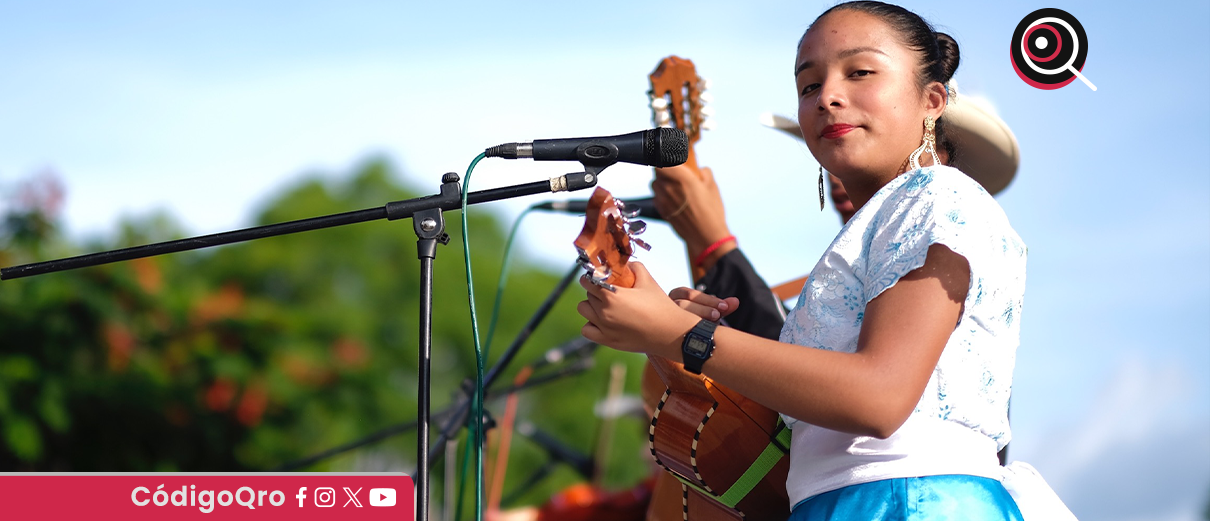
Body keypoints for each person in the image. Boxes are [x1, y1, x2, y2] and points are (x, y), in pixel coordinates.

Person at [578, 2, 1032, 518]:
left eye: (860, 72)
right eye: (809, 86)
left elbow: (879, 398)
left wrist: (683, 337)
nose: (829, 96)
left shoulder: (936, 196)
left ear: (932, 100)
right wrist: (690, 328)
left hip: (903, 501)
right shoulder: (887, 222)